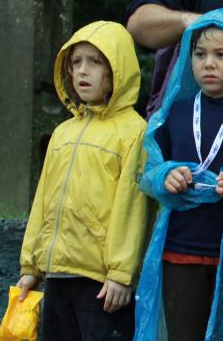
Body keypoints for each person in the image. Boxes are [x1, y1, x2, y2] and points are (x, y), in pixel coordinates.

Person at [134, 9, 223, 341]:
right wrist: (165, 177)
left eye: (221, 54)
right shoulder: (173, 113)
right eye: (200, 54)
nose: (209, 63)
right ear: (188, 57)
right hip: (179, 251)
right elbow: (147, 171)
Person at [16, 21, 148, 340]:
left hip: (102, 283)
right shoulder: (62, 133)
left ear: (117, 70)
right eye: (76, 62)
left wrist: (121, 273)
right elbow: (42, 201)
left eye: (95, 62)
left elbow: (132, 208)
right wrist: (31, 267)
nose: (83, 71)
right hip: (57, 275)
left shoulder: (134, 131)